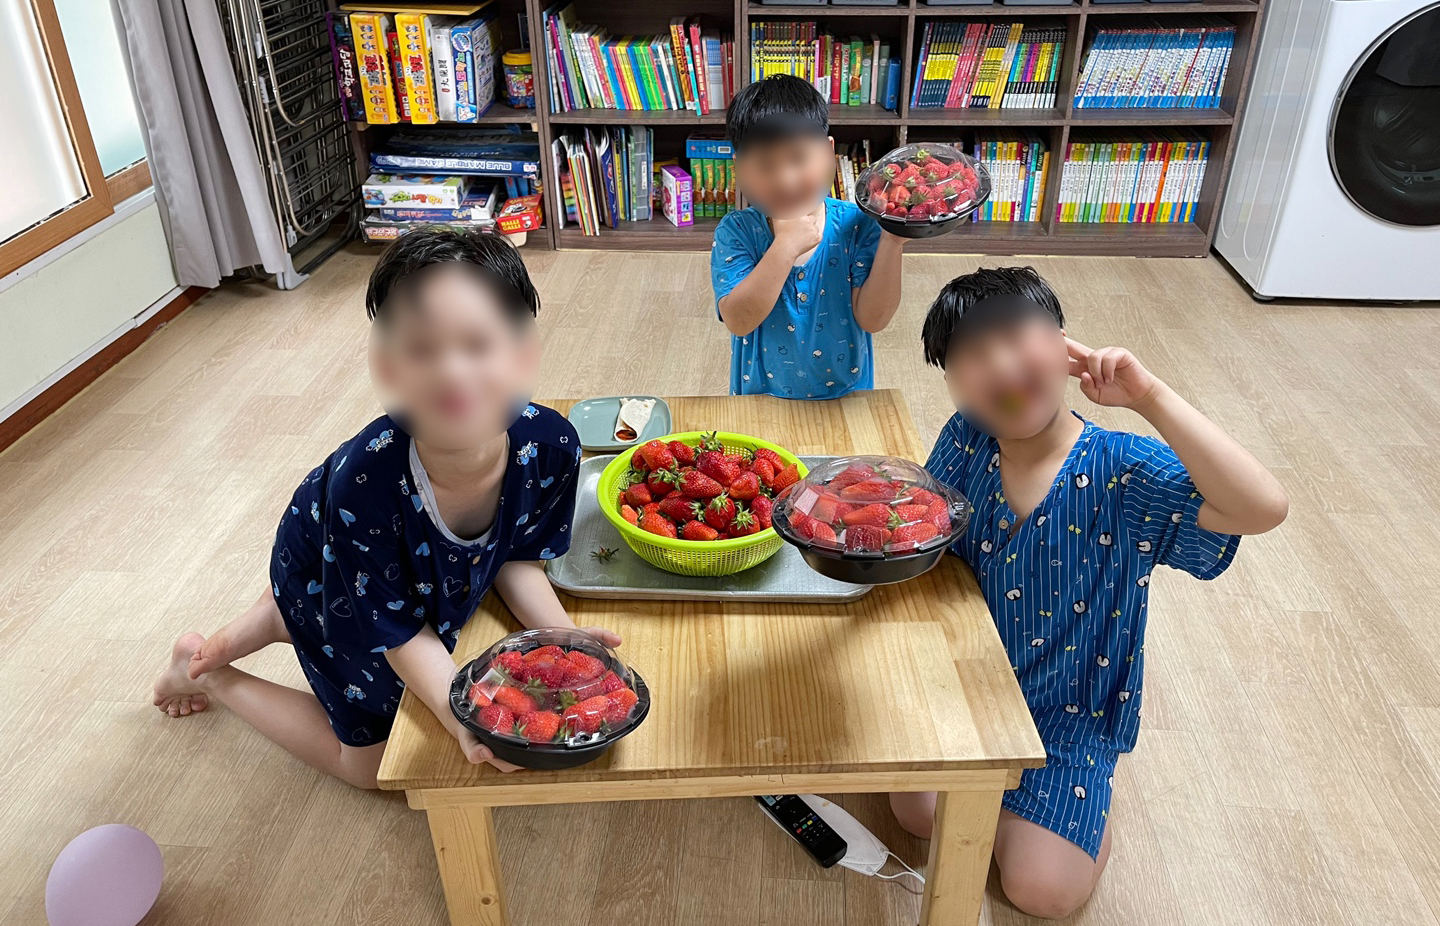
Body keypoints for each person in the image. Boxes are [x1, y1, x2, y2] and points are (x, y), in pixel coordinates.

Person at [152, 228, 616, 787]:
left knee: (383, 627)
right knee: (372, 768)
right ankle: (210, 672)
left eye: (477, 344)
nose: (452, 372)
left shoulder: (552, 445)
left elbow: (517, 555)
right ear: (389, 368)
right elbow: (398, 634)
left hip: (381, 573)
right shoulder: (364, 487)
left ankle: (288, 615)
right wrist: (460, 718)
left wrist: (563, 635)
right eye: (422, 350)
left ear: (521, 356)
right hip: (327, 557)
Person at [892, 267, 1288, 918]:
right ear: (953, 384)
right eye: (972, 356)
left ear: (1064, 348)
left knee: (1042, 891)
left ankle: (1073, 808)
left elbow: (1262, 506)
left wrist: (1149, 396)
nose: (1000, 366)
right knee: (914, 813)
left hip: (1067, 718)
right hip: (973, 687)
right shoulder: (966, 438)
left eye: (1016, 338)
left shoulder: (1124, 470)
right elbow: (931, 535)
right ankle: (1016, 814)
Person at [711, 74, 906, 400]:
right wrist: (784, 247)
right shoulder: (737, 231)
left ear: (829, 153)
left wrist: (893, 241)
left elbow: (873, 319)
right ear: (739, 168)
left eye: (799, 158)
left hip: (845, 399)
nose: (785, 180)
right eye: (765, 165)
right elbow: (739, 320)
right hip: (760, 401)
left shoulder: (856, 224)